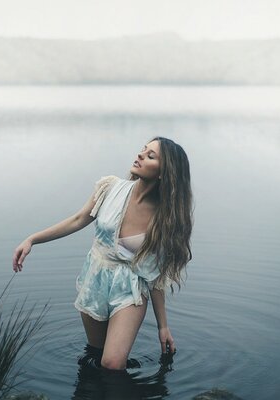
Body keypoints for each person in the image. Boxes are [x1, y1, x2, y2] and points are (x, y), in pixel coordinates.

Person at [12, 137, 193, 370]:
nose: (140, 155)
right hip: (96, 279)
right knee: (96, 356)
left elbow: (155, 276)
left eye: (151, 156)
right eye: (143, 150)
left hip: (130, 289)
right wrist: (32, 239)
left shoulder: (164, 219)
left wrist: (163, 326)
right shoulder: (110, 188)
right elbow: (78, 220)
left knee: (112, 363)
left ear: (163, 173)